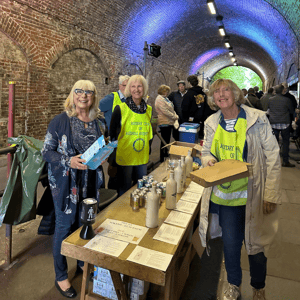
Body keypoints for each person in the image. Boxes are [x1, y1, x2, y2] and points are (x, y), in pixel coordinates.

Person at [200, 79, 281, 300]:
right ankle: (233, 285)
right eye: (216, 92)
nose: (221, 95)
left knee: (256, 247)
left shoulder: (257, 119)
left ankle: (258, 287)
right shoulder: (211, 122)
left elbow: (273, 156)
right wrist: (208, 160)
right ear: (212, 99)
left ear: (236, 94)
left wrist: (271, 193)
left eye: (226, 90)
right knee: (231, 244)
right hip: (225, 196)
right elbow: (206, 151)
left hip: (253, 195)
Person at [42, 80, 106, 298]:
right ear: (73, 94)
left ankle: (82, 263)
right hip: (66, 185)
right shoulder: (60, 121)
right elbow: (46, 152)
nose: (84, 95)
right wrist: (68, 161)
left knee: (85, 223)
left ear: (94, 96)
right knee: (64, 226)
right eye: (79, 91)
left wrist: (103, 155)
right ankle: (61, 276)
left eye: (89, 92)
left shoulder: (99, 122)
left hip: (89, 183)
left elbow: (100, 146)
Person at [109, 75, 153, 196]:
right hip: (125, 157)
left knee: (141, 189)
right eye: (133, 86)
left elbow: (149, 133)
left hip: (142, 157)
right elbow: (112, 134)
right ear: (129, 88)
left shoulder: (149, 109)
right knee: (125, 190)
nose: (136, 89)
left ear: (144, 88)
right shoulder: (120, 108)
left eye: (139, 86)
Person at [100, 75, 130, 189]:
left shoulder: (130, 99)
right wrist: (103, 127)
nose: (126, 89)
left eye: (129, 86)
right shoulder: (112, 98)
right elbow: (96, 110)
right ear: (119, 85)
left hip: (127, 141)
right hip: (114, 141)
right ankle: (113, 198)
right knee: (114, 172)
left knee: (125, 172)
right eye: (124, 86)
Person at [268, 84, 295, 167]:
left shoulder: (270, 99)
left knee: (274, 143)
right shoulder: (287, 100)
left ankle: (274, 161)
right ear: (283, 91)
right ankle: (285, 161)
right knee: (285, 142)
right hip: (285, 123)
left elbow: (268, 109)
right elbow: (291, 111)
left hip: (273, 122)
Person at [155, 84, 179, 162]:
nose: (167, 93)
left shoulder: (165, 98)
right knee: (164, 139)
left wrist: (175, 114)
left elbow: (171, 108)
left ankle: (165, 153)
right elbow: (164, 111)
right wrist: (174, 116)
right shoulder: (159, 99)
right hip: (164, 122)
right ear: (162, 91)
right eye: (166, 91)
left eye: (167, 91)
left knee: (167, 139)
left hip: (169, 121)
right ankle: (162, 157)